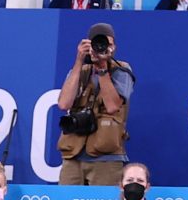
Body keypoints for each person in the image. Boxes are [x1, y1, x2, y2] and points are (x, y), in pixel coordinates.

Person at [57, 23, 136, 185]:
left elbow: (113, 106)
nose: (104, 49)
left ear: (114, 47)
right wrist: (79, 61)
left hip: (106, 157)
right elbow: (64, 104)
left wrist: (102, 70)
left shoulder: (122, 70)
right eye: (98, 43)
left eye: (109, 45)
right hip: (74, 154)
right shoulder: (81, 70)